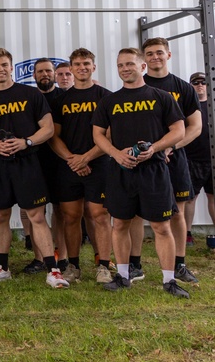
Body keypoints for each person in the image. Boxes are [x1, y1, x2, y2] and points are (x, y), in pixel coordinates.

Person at [92, 48, 189, 298]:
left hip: (154, 170)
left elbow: (178, 130)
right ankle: (123, 276)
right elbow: (97, 135)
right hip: (121, 171)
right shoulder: (109, 101)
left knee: (161, 226)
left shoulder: (161, 97)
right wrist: (116, 153)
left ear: (142, 67)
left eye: (129, 64)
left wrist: (155, 148)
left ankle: (169, 281)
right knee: (120, 223)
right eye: (120, 65)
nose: (125, 69)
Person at [0, 48, 68, 288]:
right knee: (0, 215)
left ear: (11, 67)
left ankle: (52, 270)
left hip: (27, 163)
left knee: (36, 215)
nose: (0, 69)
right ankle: (1, 267)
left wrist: (26, 142)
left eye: (4, 65)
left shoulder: (30, 94)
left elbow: (48, 129)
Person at [48, 48, 113, 284]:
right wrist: (73, 160)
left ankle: (104, 266)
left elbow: (111, 135)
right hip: (69, 166)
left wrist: (86, 158)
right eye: (77, 64)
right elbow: (53, 136)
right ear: (71, 68)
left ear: (94, 67)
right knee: (70, 216)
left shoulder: (106, 96)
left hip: (100, 163)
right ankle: (73, 266)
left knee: (100, 214)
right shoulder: (60, 100)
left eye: (86, 63)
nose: (82, 67)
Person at [140, 37, 202, 284]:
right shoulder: (136, 86)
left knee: (177, 212)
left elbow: (195, 127)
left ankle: (180, 265)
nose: (155, 57)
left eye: (159, 52)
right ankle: (134, 265)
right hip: (143, 160)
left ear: (169, 55)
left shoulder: (183, 88)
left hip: (173, 159)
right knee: (134, 214)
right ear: (144, 59)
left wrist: (170, 147)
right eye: (150, 53)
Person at [24, 58, 66, 276]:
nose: (45, 75)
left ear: (55, 74)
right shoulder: (29, 98)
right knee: (34, 211)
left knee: (60, 210)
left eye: (48, 71)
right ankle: (39, 257)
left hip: (59, 161)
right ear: (34, 75)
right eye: (40, 71)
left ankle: (62, 254)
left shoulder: (63, 97)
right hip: (34, 161)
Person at [184, 72, 214, 246]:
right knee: (190, 197)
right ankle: (187, 234)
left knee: (212, 196)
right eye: (196, 82)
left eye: (203, 82)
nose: (200, 85)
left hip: (212, 159)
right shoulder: (188, 107)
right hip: (192, 159)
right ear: (191, 86)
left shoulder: (212, 105)